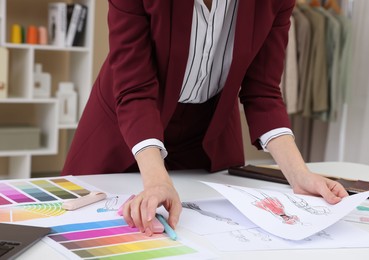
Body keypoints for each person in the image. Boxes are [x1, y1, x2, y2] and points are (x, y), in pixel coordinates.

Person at [61, 0, 348, 237]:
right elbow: (135, 90)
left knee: (207, 236)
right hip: (127, 129)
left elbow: (263, 90)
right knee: (85, 233)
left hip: (208, 131)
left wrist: (300, 175)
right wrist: (157, 181)